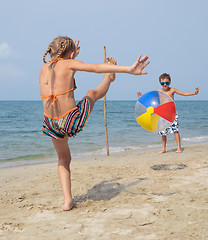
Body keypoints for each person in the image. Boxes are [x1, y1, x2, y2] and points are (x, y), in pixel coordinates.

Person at [39, 36, 149, 211]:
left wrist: (72, 58)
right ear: (72, 54)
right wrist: (128, 69)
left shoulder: (44, 68)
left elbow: (61, 72)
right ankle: (109, 79)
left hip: (51, 123)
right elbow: (96, 67)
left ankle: (68, 201)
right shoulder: (69, 65)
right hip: (69, 119)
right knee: (92, 93)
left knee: (63, 159)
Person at [137, 73, 199, 154]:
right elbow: (151, 101)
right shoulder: (158, 92)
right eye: (162, 83)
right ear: (160, 83)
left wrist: (194, 93)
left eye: (167, 83)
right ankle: (163, 149)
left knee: (175, 131)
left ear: (170, 82)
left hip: (172, 114)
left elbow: (183, 93)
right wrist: (141, 97)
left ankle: (179, 148)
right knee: (163, 133)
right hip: (162, 114)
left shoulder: (172, 90)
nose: (165, 85)